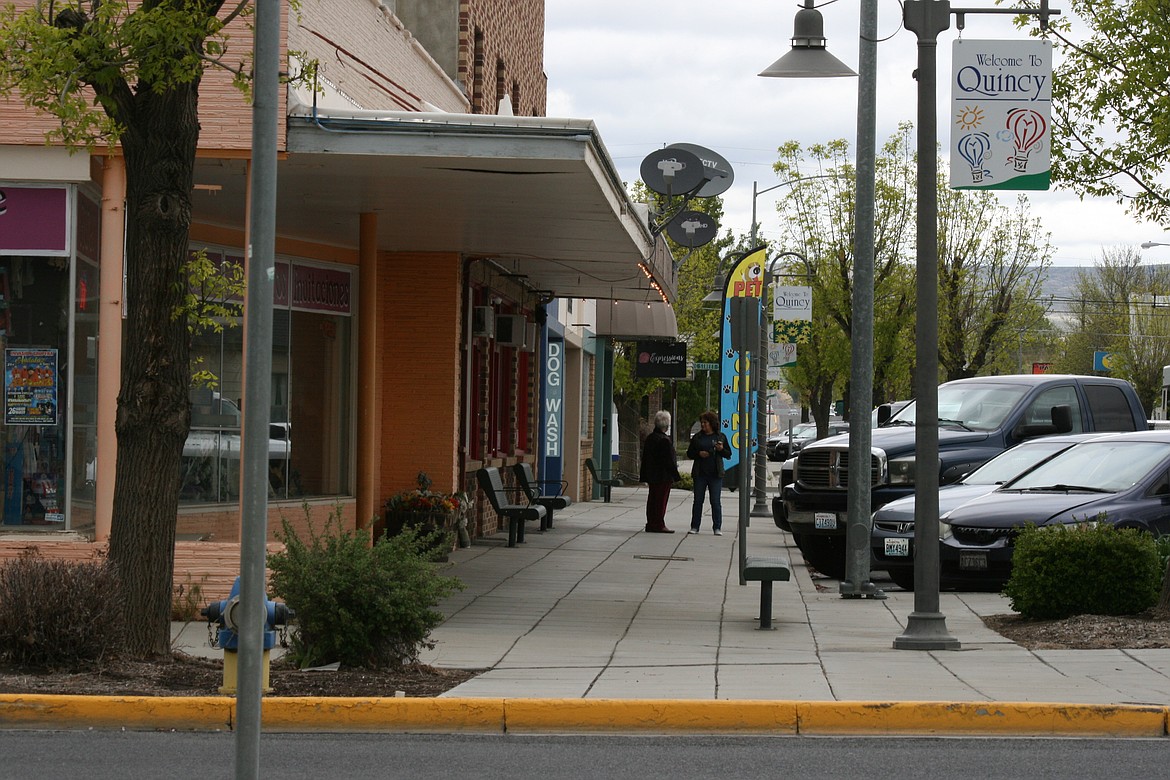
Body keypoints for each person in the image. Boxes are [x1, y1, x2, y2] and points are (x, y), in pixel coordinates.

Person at [686, 410, 731, 535]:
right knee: (698, 500)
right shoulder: (697, 437)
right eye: (702, 423)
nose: (703, 425)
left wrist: (721, 449)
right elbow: (689, 453)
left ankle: (717, 527)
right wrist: (698, 454)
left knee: (715, 501)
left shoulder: (720, 437)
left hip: (715, 474)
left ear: (711, 423)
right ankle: (695, 526)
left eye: (705, 423)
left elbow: (728, 454)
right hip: (700, 473)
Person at [639, 410, 680, 533]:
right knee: (660, 501)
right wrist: (676, 475)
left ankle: (651, 522)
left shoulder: (651, 438)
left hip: (652, 475)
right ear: (667, 425)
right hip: (663, 476)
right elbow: (668, 461)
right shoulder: (664, 440)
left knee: (652, 499)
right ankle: (658, 523)